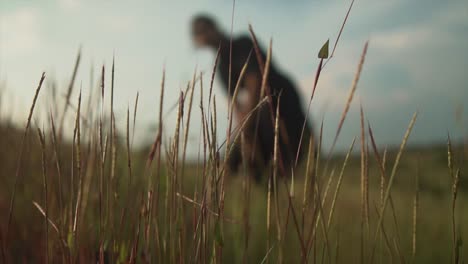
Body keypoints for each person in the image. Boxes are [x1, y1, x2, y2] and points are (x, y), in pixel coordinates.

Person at [191, 15, 313, 181]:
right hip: (259, 108)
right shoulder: (221, 68)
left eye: (205, 30)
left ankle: (292, 185)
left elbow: (255, 83)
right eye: (198, 33)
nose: (204, 36)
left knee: (290, 145)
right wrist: (241, 133)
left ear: (214, 27)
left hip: (281, 97)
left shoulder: (242, 44)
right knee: (249, 154)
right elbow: (234, 104)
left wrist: (245, 126)